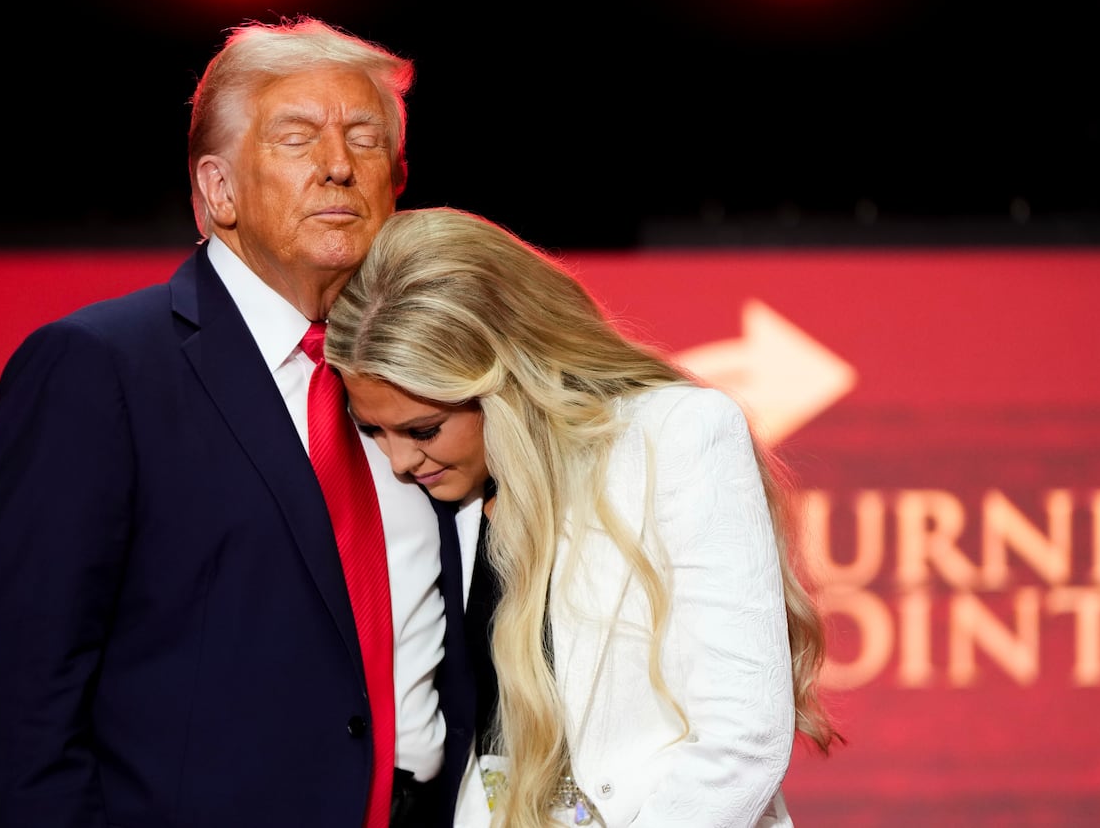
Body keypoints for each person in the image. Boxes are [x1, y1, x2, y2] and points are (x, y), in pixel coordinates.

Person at [0, 18, 477, 828]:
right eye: (298, 138)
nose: (339, 166)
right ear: (217, 190)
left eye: (365, 140)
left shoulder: (438, 380)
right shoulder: (96, 370)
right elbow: (22, 708)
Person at [323, 207, 842, 828]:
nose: (401, 460)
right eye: (373, 430)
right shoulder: (439, 500)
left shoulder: (675, 435)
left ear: (505, 379)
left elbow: (740, 743)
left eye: (423, 429)